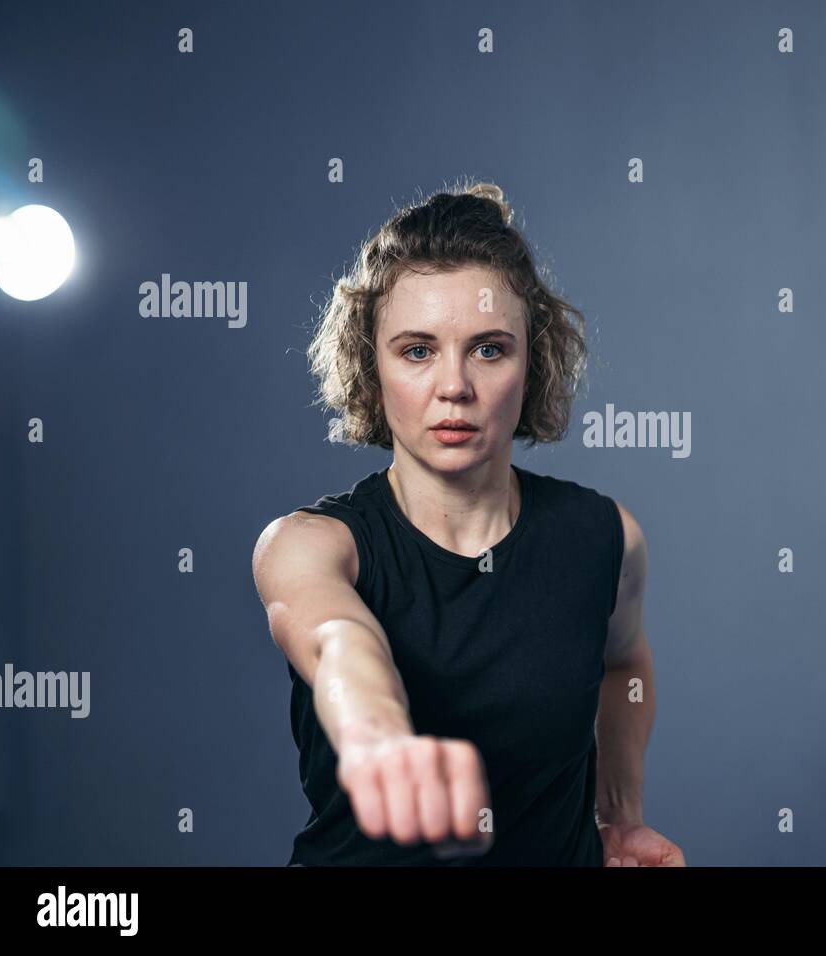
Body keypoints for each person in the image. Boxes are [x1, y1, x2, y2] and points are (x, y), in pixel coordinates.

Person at [251, 180, 684, 867]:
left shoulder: (603, 537)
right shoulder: (311, 546)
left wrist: (618, 817)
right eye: (417, 350)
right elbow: (339, 643)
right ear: (373, 364)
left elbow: (625, 662)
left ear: (531, 361)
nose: (453, 385)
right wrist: (378, 739)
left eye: (488, 348)